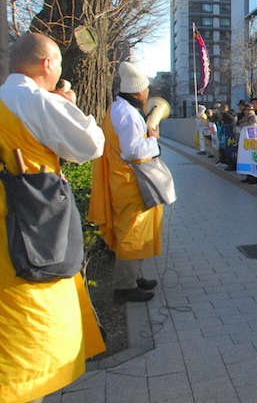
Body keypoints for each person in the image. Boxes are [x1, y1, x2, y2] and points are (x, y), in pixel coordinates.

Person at [0, 32, 106, 403]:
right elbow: (90, 145)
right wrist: (68, 106)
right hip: (27, 230)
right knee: (28, 343)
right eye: (58, 62)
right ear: (48, 64)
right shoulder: (33, 101)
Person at [89, 61, 170, 303]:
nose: (148, 93)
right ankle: (124, 286)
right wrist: (153, 139)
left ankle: (134, 277)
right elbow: (133, 150)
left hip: (125, 178)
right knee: (132, 233)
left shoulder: (119, 108)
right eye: (146, 89)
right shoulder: (126, 113)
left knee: (137, 230)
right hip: (130, 181)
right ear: (138, 91)